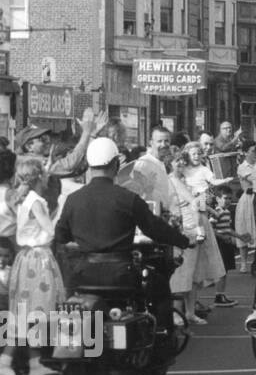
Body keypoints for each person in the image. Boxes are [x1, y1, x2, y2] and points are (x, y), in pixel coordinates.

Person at [53, 138, 192, 353]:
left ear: (89, 165)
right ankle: (163, 338)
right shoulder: (128, 198)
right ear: (116, 165)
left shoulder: (74, 200)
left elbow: (61, 234)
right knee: (161, 286)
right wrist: (183, 240)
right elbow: (154, 228)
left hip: (83, 276)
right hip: (121, 275)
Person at [0, 156, 65, 375]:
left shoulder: (23, 199)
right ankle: (5, 361)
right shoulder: (36, 201)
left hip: (25, 259)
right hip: (38, 260)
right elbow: (50, 230)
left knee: (28, 312)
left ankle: (34, 362)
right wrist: (63, 208)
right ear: (41, 177)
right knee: (32, 314)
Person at [168, 142, 232, 326]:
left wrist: (207, 208)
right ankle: (176, 313)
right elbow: (189, 204)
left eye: (182, 162)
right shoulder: (172, 180)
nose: (180, 165)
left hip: (196, 225)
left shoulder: (187, 178)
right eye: (177, 162)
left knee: (195, 272)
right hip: (186, 228)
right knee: (182, 272)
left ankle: (189, 312)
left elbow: (199, 202)